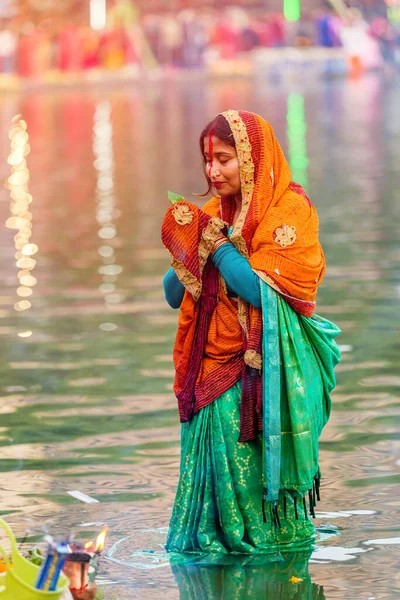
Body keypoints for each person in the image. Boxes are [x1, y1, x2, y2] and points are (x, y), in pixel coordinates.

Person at [161, 110, 340, 558]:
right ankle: (216, 544)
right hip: (210, 367)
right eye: (207, 159)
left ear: (252, 159)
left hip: (260, 368)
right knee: (210, 519)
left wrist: (217, 246)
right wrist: (184, 248)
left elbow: (261, 291)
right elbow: (171, 294)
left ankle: (266, 543)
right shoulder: (212, 214)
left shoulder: (290, 211)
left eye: (223, 159)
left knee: (252, 479)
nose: (211, 170)